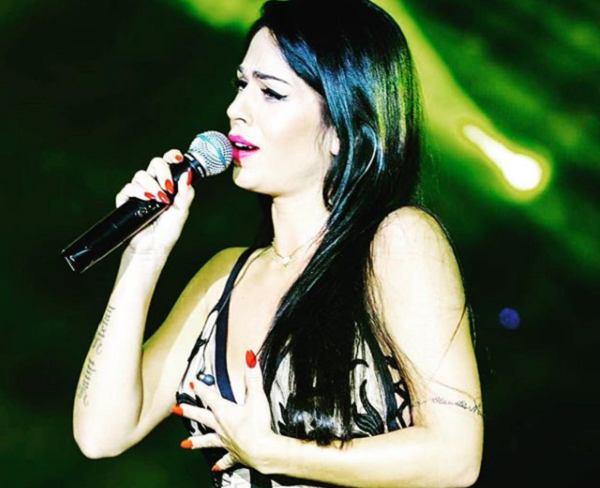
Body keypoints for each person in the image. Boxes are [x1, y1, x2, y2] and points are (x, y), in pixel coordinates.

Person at [73, 0, 484, 487]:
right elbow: (100, 435)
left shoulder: (399, 243)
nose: (236, 110)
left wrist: (277, 453)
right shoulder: (225, 276)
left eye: (270, 92)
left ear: (341, 128)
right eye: (241, 85)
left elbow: (455, 457)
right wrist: (142, 258)